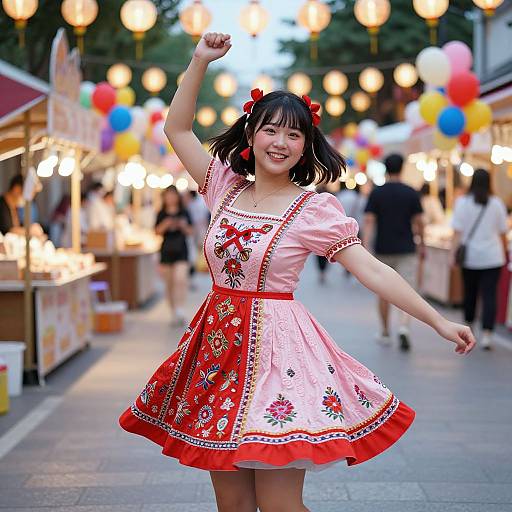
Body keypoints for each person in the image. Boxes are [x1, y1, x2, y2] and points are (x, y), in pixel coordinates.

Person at [119, 33, 475, 512]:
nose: (281, 142)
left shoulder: (314, 209)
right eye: (270, 130)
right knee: (233, 505)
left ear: (306, 145)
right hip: (215, 352)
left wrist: (437, 320)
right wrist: (199, 60)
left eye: (294, 134)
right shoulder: (221, 185)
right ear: (250, 135)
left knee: (279, 505)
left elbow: (372, 269)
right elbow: (178, 130)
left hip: (277, 357)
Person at [363, 154, 425, 351]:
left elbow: (369, 221)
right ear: (402, 168)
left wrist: (365, 246)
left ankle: (384, 331)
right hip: (407, 248)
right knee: (408, 290)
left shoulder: (377, 193)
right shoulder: (411, 193)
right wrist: (421, 242)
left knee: (383, 291)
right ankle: (404, 327)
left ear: (385, 168)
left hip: (383, 248)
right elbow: (419, 222)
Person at [451, 168, 508, 350]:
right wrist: (505, 249)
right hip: (493, 257)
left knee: (470, 293)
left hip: (471, 258)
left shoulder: (463, 203)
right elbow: (503, 233)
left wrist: (453, 255)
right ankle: (487, 335)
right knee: (490, 295)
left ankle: (470, 328)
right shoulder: (497, 203)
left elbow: (457, 233)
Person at [155, 185, 194, 326]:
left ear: (177, 197)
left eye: (173, 195)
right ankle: (173, 312)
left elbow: (191, 231)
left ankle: (180, 309)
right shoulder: (161, 213)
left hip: (181, 250)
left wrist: (183, 226)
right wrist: (166, 224)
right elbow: (157, 232)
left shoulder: (184, 212)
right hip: (166, 250)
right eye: (168, 195)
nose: (170, 198)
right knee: (169, 284)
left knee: (180, 279)